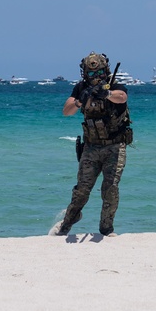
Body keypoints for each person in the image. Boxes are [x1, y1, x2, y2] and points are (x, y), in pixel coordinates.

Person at [53, 52, 133, 237]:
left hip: (114, 146)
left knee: (110, 187)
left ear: (105, 71)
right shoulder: (81, 88)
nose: (95, 77)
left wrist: (107, 93)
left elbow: (122, 97)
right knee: (82, 189)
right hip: (91, 147)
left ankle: (107, 228)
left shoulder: (114, 86)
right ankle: (66, 225)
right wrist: (81, 100)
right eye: (90, 74)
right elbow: (67, 111)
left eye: (98, 73)